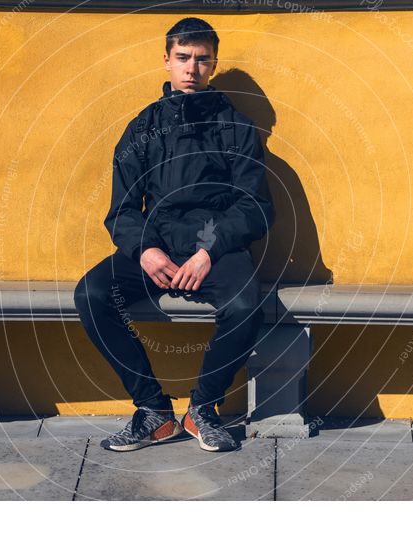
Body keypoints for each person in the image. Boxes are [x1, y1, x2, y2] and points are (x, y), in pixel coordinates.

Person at [74, 17, 275, 452]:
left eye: (202, 60)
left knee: (246, 303)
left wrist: (209, 251)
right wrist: (144, 249)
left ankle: (202, 409)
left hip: (216, 249)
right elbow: (122, 209)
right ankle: (154, 412)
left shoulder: (236, 127)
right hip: (158, 246)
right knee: (91, 294)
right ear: (166, 61)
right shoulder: (144, 127)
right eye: (183, 58)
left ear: (213, 64)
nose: (192, 68)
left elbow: (256, 206)